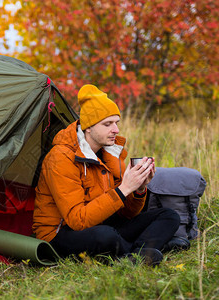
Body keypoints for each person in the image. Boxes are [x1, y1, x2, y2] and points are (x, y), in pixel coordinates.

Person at [32, 84, 180, 266]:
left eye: (117, 123)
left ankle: (134, 255)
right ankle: (148, 249)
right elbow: (78, 220)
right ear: (88, 127)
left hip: (102, 223)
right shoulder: (60, 157)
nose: (116, 130)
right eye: (107, 124)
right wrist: (123, 189)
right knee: (105, 235)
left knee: (168, 215)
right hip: (60, 233)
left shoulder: (110, 153)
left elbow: (127, 214)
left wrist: (139, 189)